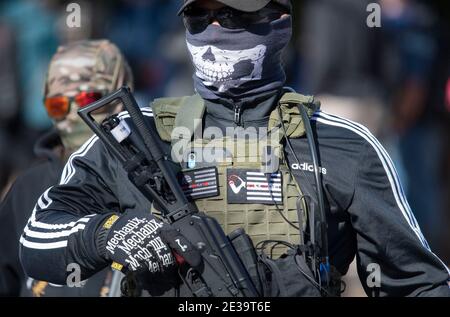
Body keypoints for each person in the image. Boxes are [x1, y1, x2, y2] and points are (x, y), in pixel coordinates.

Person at [19, 0, 450, 297]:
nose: (215, 27)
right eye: (200, 15)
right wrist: (108, 234)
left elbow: (418, 283)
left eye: (232, 14)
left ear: (279, 18)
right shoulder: (131, 137)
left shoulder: (341, 145)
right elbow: (36, 241)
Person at [0, 39, 133, 296]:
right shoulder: (29, 187)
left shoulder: (147, 178)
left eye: (87, 99)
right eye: (58, 104)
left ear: (118, 95)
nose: (73, 114)